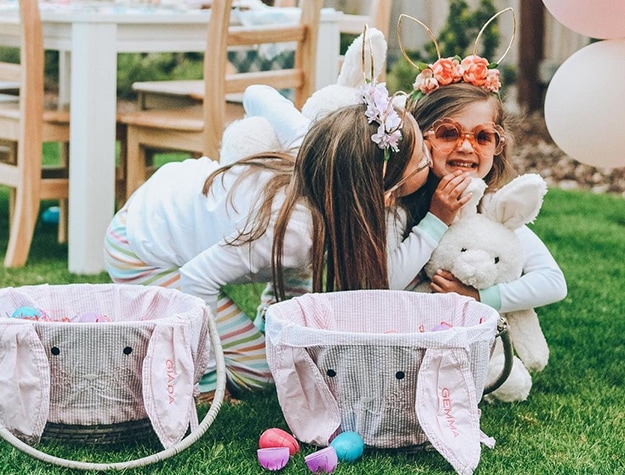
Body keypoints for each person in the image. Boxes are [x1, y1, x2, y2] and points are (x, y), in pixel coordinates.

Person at [103, 81, 472, 401]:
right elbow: (197, 279)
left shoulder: (320, 146)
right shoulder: (294, 234)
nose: (430, 157)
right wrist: (205, 378)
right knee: (260, 374)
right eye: (422, 162)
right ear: (386, 194)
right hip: (139, 248)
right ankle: (146, 350)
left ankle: (261, 322)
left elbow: (256, 94)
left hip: (167, 198)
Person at [403, 58, 567, 313]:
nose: (467, 147)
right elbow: (383, 284)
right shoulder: (402, 205)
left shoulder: (491, 208)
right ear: (420, 138)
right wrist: (436, 218)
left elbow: (553, 282)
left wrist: (479, 296)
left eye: (482, 137)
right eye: (449, 133)